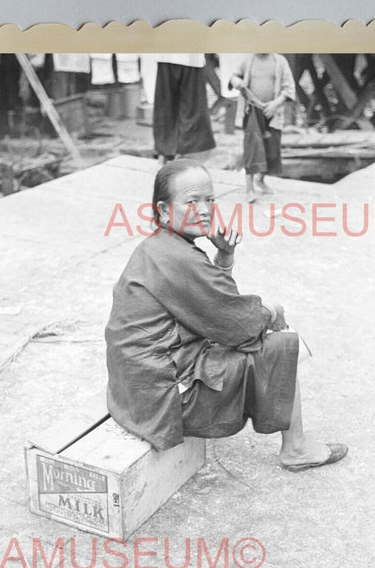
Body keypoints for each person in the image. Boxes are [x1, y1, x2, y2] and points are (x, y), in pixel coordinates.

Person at [105, 159, 347, 472]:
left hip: (133, 391)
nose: (204, 210)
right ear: (164, 210)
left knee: (256, 334)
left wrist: (224, 257)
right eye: (191, 201)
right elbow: (238, 325)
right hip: (161, 400)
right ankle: (296, 449)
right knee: (281, 344)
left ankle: (293, 440)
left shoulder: (159, 247)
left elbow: (217, 310)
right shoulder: (178, 258)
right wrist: (273, 312)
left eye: (209, 200)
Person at [230, 54, 296, 203]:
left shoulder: (280, 61)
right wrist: (237, 82)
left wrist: (275, 104)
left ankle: (260, 180)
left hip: (273, 111)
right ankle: (249, 188)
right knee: (252, 149)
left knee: (272, 151)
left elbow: (289, 88)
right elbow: (234, 76)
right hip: (252, 109)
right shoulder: (247, 59)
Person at [153, 54, 215, 164]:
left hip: (173, 55)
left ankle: (169, 150)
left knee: (166, 104)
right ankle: (173, 151)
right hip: (187, 56)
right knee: (188, 107)